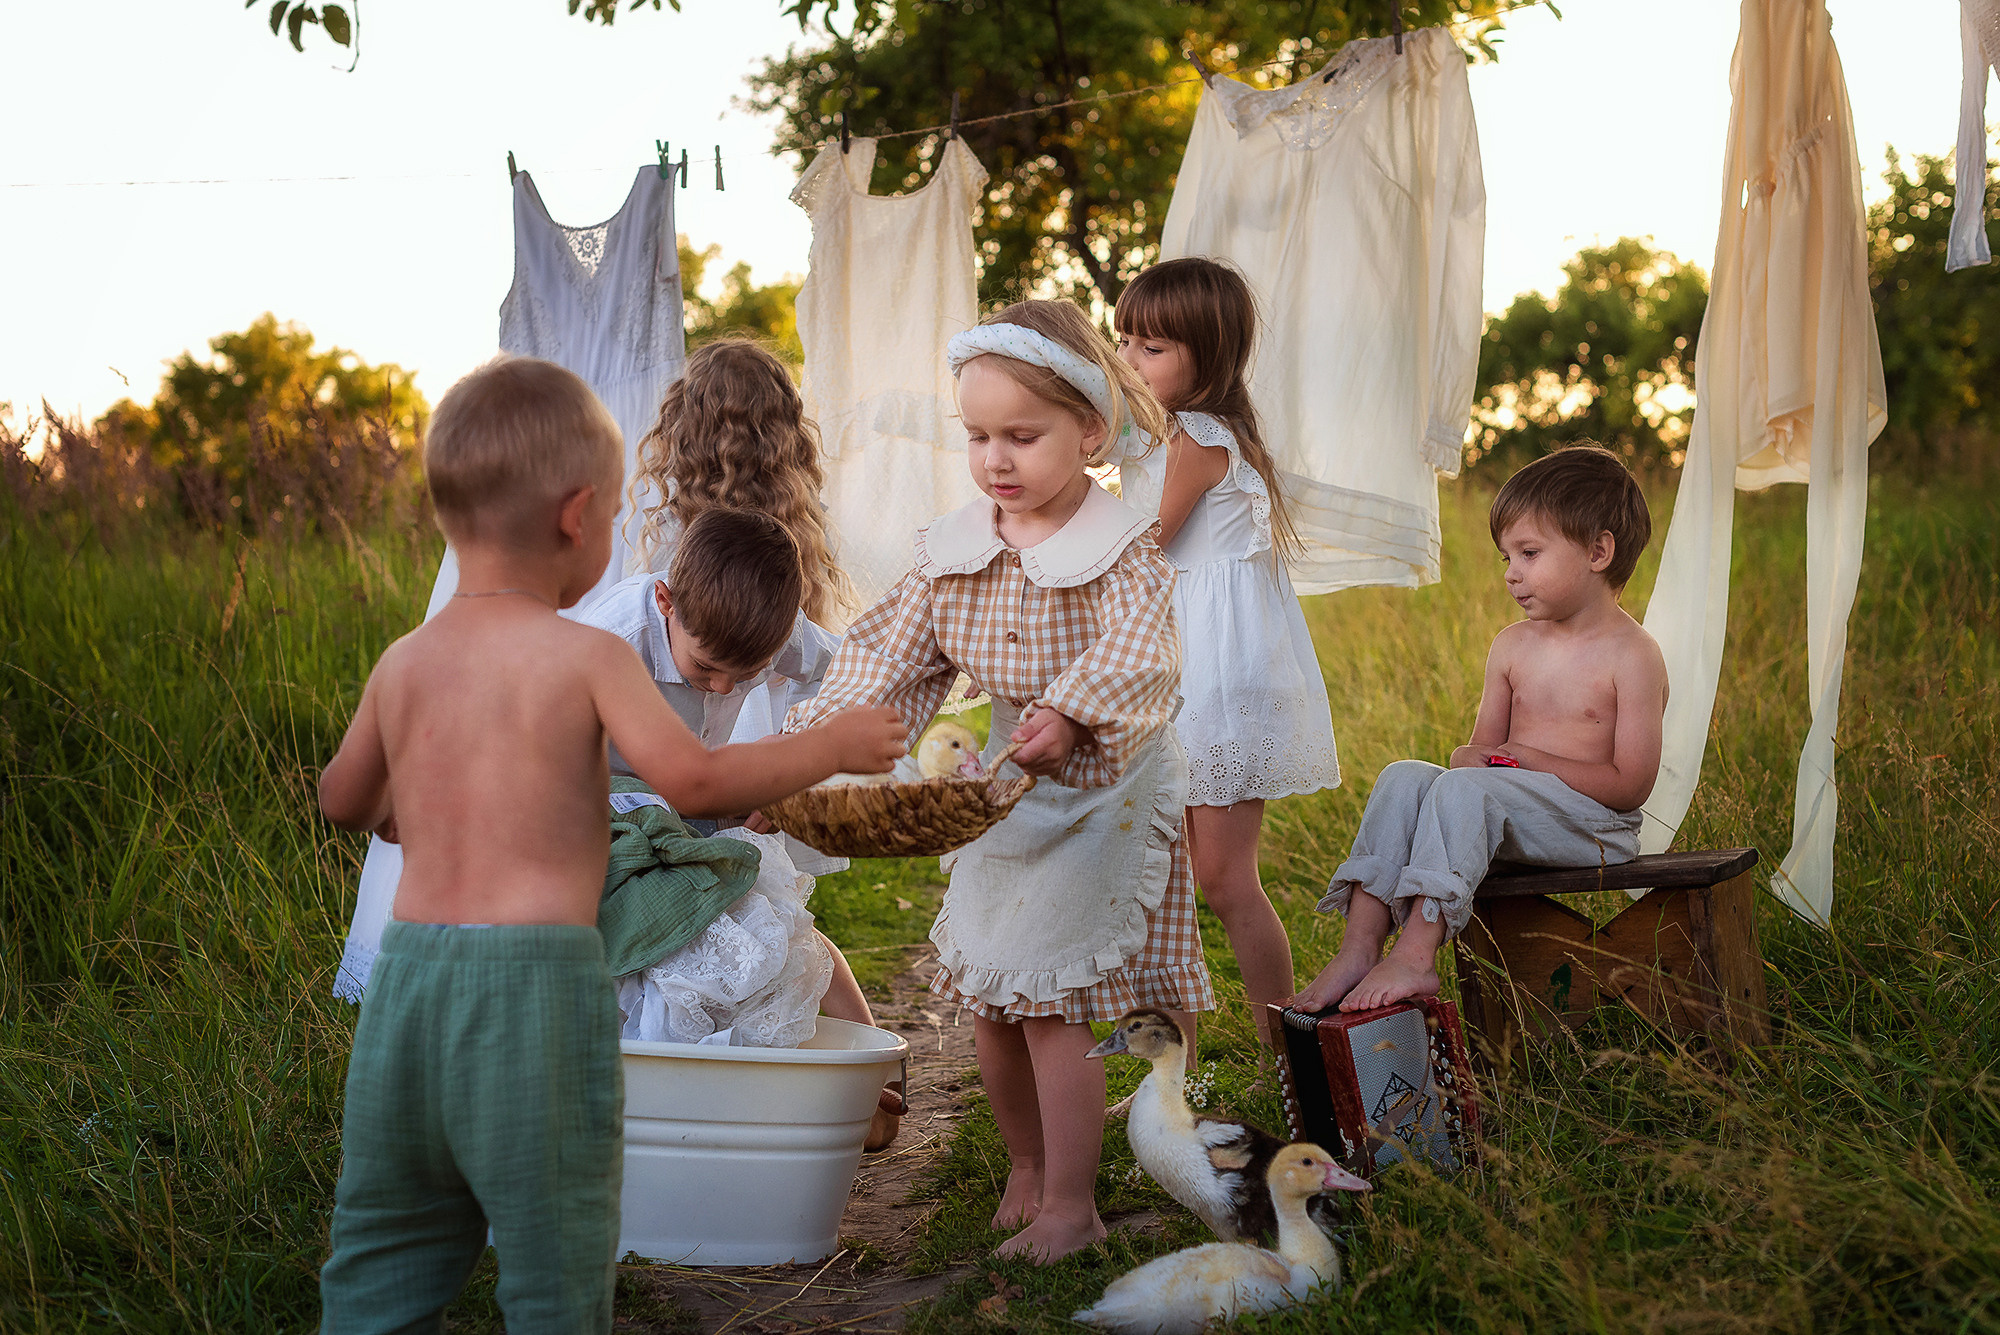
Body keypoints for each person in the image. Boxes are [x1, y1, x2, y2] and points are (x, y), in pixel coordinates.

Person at [313, 356, 904, 1334]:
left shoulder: (404, 660)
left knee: (385, 1239)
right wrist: (829, 746)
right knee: (554, 1245)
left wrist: (409, 811)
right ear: (577, 516)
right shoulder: (589, 651)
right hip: (534, 986)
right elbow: (695, 783)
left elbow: (348, 803)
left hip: (409, 985)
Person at [788, 300, 1216, 1264]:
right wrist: (815, 744)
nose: (997, 458)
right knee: (988, 993)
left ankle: (1074, 1201)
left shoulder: (1122, 551)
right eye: (978, 435)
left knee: (1051, 1000)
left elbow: (1145, 655)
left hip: (1108, 781)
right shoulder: (954, 552)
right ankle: (1027, 1162)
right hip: (1005, 788)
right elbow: (886, 657)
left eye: (1024, 435)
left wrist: (1070, 710)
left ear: (1091, 433)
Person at [1294, 444, 1668, 1014]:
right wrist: (1478, 757)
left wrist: (1525, 761)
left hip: (1592, 828)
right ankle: (1360, 945)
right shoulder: (1512, 646)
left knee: (1464, 789)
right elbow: (1481, 756)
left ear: (1598, 551)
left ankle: (1417, 954)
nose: (1512, 575)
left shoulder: (1633, 655)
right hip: (1512, 813)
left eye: (1529, 553)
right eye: (1506, 558)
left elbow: (1630, 786)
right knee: (1404, 778)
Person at [577, 505, 901, 1148]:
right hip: (600, 811)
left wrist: (795, 750)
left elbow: (853, 674)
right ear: (666, 603)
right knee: (659, 951)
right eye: (704, 671)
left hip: (698, 802)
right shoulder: (615, 640)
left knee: (776, 920)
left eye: (745, 676)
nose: (725, 689)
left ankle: (875, 1075)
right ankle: (655, 1102)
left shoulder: (771, 635)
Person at [1112, 256, 1342, 1028]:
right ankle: (1171, 1054)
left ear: (1207, 358)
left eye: (1152, 348)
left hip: (1223, 676)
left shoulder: (1200, 437)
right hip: (1186, 671)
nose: (1128, 361)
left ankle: (1287, 1041)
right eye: (1124, 340)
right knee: (1167, 875)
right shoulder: (1158, 436)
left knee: (1223, 877)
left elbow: (1144, 546)